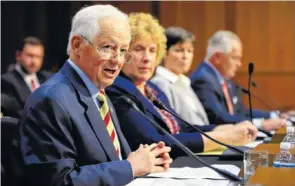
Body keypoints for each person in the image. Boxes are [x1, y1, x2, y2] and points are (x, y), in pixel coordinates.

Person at [12, 5, 172, 186]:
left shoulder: (99, 94)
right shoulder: (51, 100)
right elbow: (59, 181)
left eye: (122, 51)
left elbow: (110, 159)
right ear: (77, 45)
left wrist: (147, 159)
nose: (117, 60)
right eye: (108, 47)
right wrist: (129, 167)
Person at [106, 13, 258, 158]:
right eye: (138, 49)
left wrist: (226, 129)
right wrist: (222, 137)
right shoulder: (117, 89)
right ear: (123, 53)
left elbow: (182, 128)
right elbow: (154, 142)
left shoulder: (152, 89)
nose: (147, 58)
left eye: (152, 50)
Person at [190, 30, 289, 131]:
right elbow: (218, 118)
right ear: (217, 57)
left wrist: (273, 115)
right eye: (235, 58)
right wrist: (261, 124)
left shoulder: (224, 80)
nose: (239, 64)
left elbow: (241, 112)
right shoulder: (203, 79)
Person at [151, 27, 210, 126]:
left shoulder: (184, 81)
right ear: (164, 53)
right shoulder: (160, 84)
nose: (185, 56)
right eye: (179, 50)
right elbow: (175, 125)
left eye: (189, 51)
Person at [1, 36, 52, 118]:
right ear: (18, 55)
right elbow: (16, 112)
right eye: (30, 56)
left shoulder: (48, 78)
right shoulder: (6, 81)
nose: (34, 61)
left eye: (38, 57)